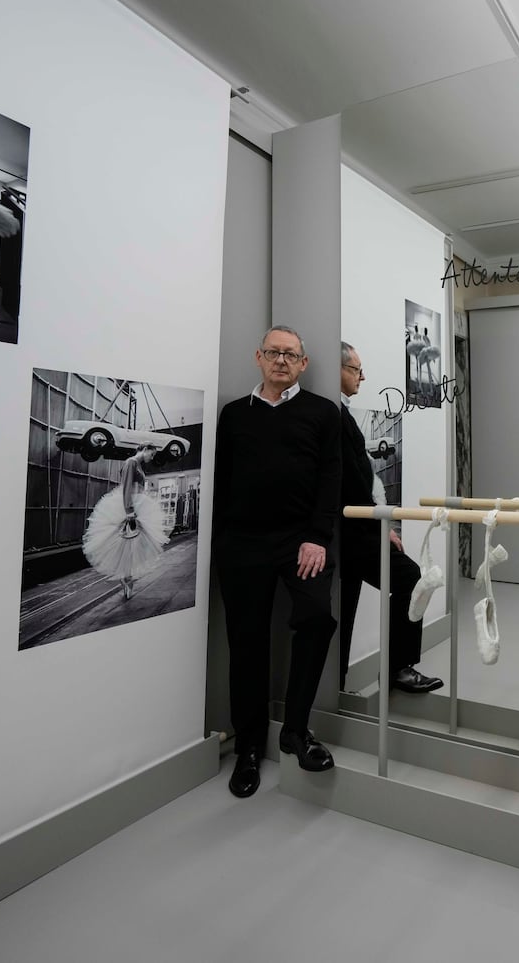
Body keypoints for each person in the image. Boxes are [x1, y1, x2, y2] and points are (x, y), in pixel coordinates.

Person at [214, 326, 342, 798]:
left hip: (299, 543)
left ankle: (296, 730)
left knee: (316, 619)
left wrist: (316, 537)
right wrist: (221, 543)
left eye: (291, 355)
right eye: (274, 353)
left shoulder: (322, 413)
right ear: (259, 358)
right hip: (242, 544)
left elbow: (331, 478)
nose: (282, 361)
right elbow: (222, 481)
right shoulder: (234, 415)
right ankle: (248, 748)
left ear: (303, 364)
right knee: (246, 643)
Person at [337, 342, 444, 696]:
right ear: (338, 369)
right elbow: (351, 485)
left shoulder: (340, 414)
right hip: (351, 531)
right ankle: (398, 668)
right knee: (411, 578)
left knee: (345, 605)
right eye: (356, 369)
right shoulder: (334, 416)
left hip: (353, 529)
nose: (362, 376)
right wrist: (381, 528)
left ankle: (340, 684)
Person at [81, 443, 169, 601]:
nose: (152, 458)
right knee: (126, 545)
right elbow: (126, 487)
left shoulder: (138, 465)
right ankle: (126, 577)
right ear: (145, 449)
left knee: (133, 546)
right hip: (130, 506)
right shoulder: (131, 462)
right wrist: (129, 510)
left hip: (138, 506)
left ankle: (128, 577)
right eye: (152, 454)